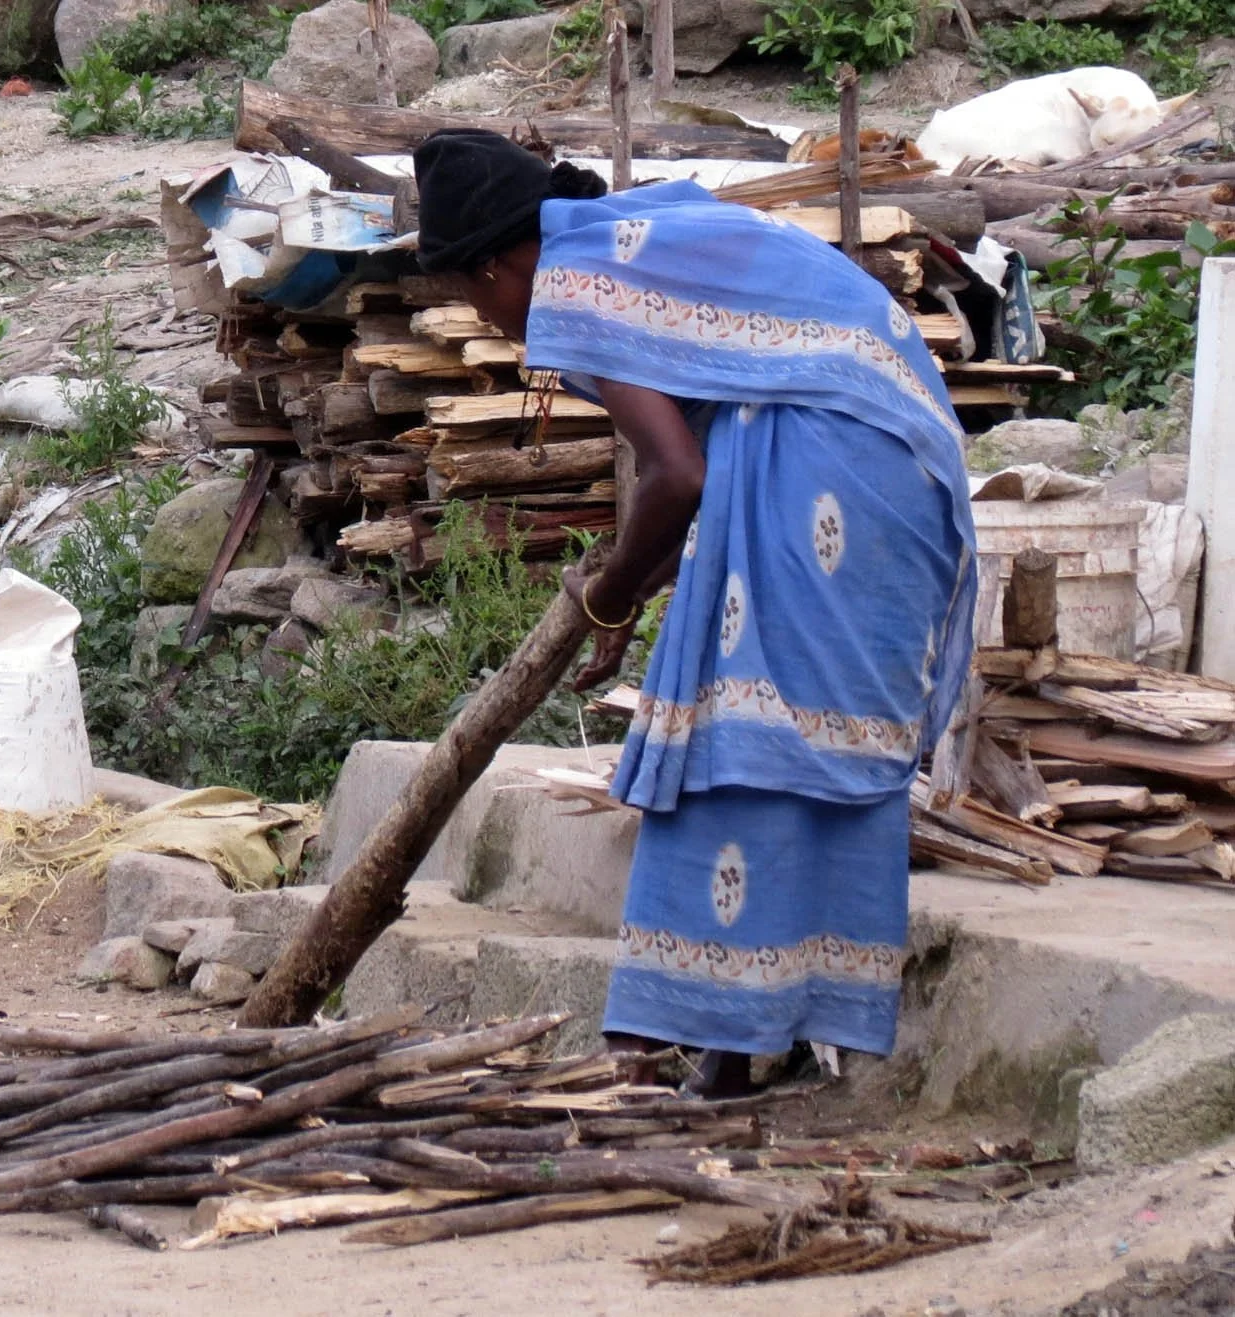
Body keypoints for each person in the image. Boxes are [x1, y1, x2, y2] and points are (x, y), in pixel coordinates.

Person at [410, 130, 977, 1096]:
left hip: (836, 457)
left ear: (499, 263)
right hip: (890, 461)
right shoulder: (627, 237)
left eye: (473, 296)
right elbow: (688, 471)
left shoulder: (578, 278)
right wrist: (622, 602)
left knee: (744, 732)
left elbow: (676, 476)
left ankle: (713, 1041)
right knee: (791, 734)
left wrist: (609, 591)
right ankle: (748, 1035)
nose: (491, 320)